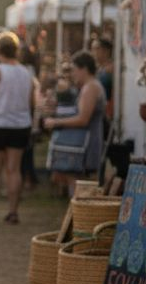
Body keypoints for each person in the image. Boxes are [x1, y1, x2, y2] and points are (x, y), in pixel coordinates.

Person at [0, 31, 38, 225]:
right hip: (19, 125)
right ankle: (13, 212)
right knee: (14, 169)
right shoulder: (26, 72)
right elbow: (31, 102)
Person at [43, 51, 105, 196]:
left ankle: (77, 216)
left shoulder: (91, 87)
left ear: (83, 69)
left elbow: (83, 119)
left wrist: (56, 122)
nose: (73, 74)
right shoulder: (90, 86)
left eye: (74, 70)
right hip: (87, 140)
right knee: (75, 183)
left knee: (77, 184)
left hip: (87, 143)